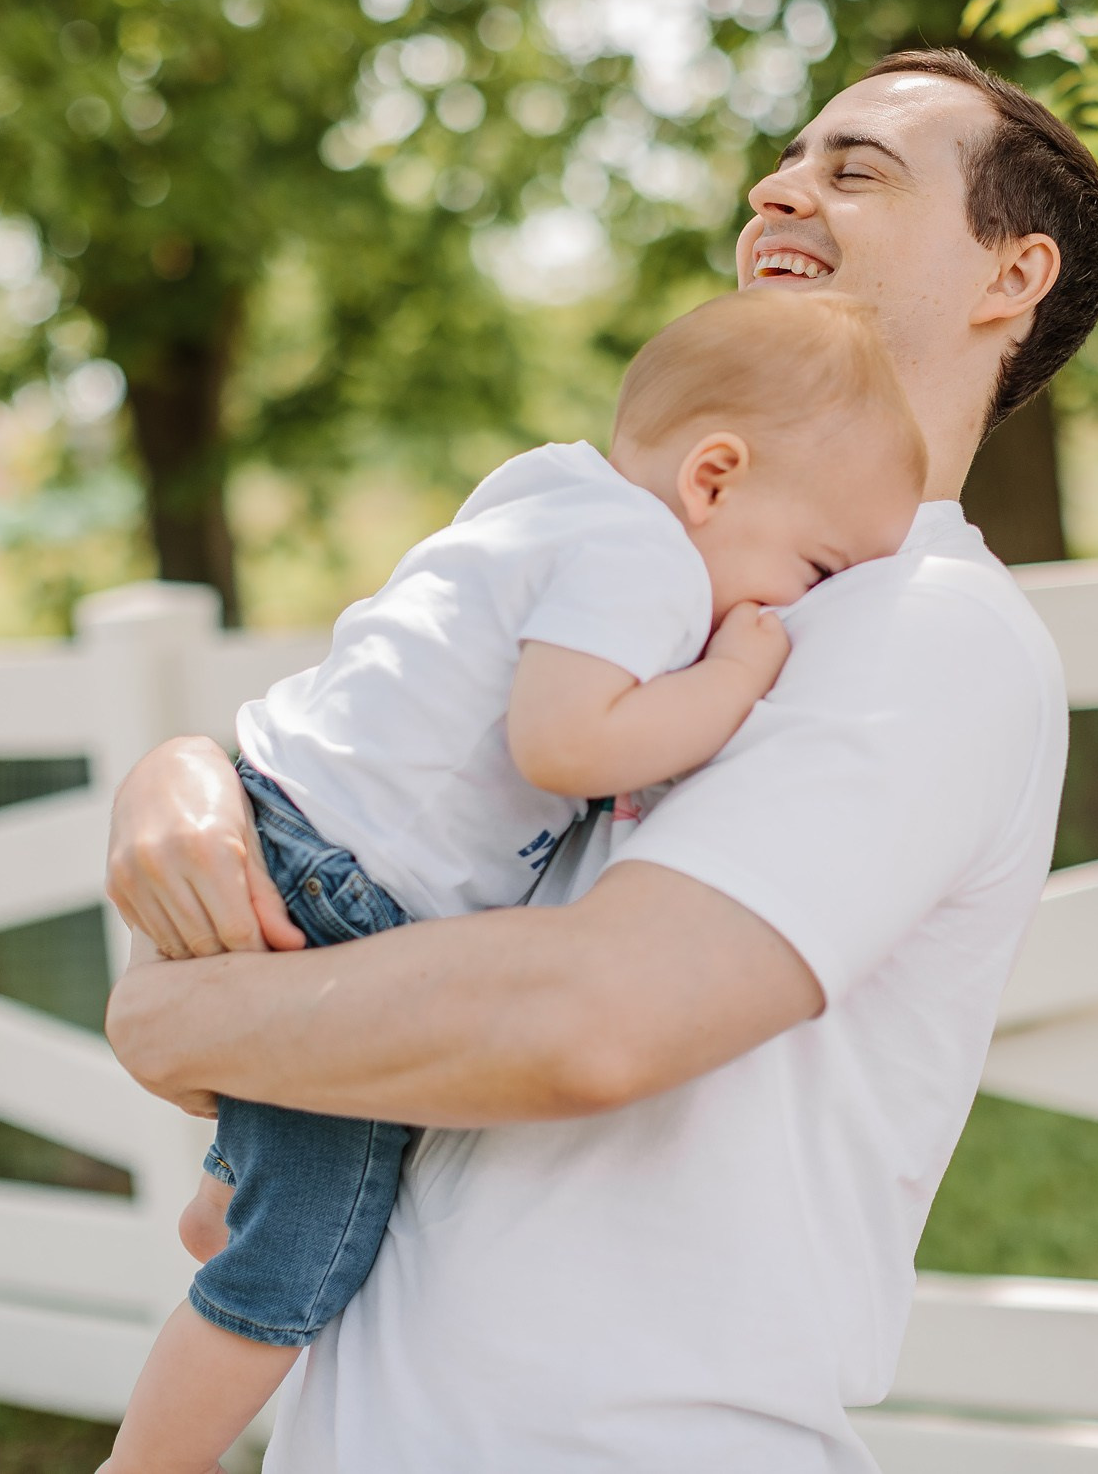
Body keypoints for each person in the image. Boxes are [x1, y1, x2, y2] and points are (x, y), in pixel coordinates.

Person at [103, 47, 1098, 1471]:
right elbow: (377, 801)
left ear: (1010, 275)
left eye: (857, 169)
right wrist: (187, 771)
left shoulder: (929, 627)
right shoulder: (664, 556)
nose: (781, 187)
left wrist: (174, 1018)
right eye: (787, 157)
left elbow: (591, 1016)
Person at [102, 294, 927, 1473]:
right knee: (298, 1269)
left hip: (285, 811)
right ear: (712, 479)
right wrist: (735, 676)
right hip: (350, 891)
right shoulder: (642, 559)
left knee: (290, 1182)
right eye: (813, 565)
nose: (795, 603)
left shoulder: (547, 490)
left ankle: (234, 1186)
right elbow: (566, 745)